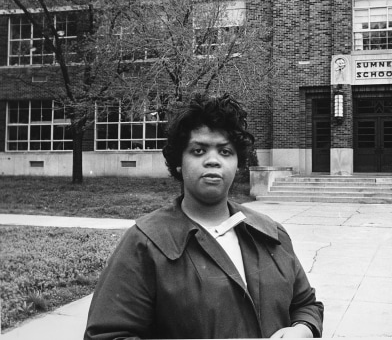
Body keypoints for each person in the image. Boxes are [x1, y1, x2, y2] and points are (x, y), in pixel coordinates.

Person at [84, 93, 324, 339]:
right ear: (179, 162)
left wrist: (303, 330)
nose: (213, 161)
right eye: (198, 151)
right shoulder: (145, 244)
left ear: (238, 163)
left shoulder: (271, 234)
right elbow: (108, 334)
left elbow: (306, 305)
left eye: (225, 151)